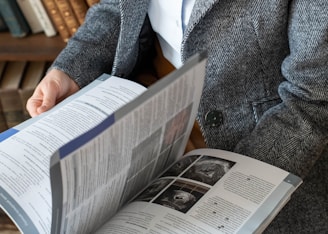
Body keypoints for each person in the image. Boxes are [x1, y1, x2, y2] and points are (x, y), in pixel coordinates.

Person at [26, 0, 328, 233]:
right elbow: (120, 8)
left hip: (273, 152)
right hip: (159, 123)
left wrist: (230, 189)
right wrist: (70, 68)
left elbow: (314, 98)